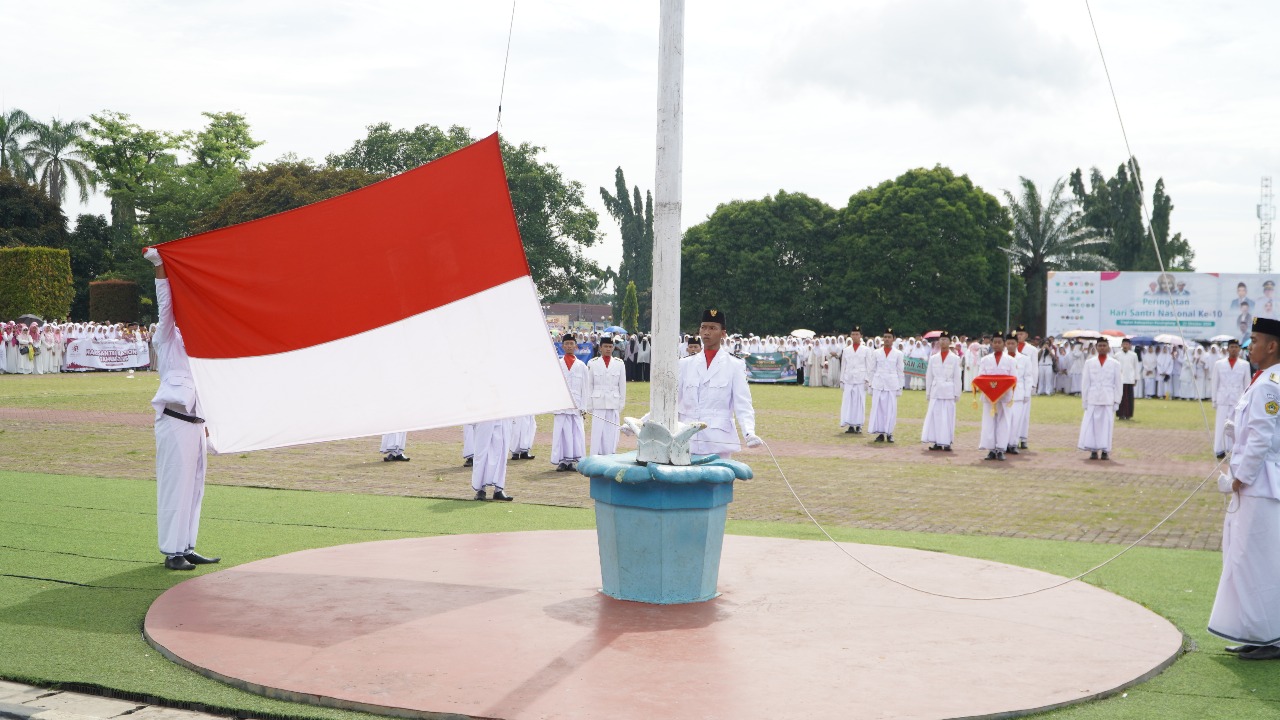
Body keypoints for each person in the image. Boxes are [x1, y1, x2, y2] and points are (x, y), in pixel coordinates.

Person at [1208, 316, 1280, 660]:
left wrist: (1241, 477)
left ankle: (1271, 637)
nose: (1249, 345)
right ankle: (1255, 631)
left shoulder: (1270, 383)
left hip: (1260, 484)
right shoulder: (1263, 379)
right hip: (1255, 481)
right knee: (1243, 557)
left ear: (1272, 345)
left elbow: (1262, 439)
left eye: (1254, 340)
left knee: (1256, 561)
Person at [144, 247, 220, 571]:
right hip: (175, 422)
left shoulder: (199, 344)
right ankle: (172, 551)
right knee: (176, 486)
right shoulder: (168, 338)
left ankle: (187, 546)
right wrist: (161, 266)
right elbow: (166, 308)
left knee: (195, 487)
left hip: (196, 424)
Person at [662, 309, 761, 459]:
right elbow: (671, 401)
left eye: (712, 328)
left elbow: (743, 404)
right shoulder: (685, 364)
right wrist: (642, 423)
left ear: (723, 334)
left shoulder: (734, 365)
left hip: (718, 440)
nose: (706, 332)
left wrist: (749, 433)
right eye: (703, 327)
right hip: (687, 439)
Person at [1078, 337, 1122, 460]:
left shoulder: (1115, 363)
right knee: (1092, 426)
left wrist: (1117, 400)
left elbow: (1118, 384)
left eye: (1104, 345)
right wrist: (1084, 400)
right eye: (1100, 345)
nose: (1102, 348)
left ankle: (1105, 450)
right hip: (1093, 398)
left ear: (1108, 348)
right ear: (1096, 347)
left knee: (1106, 426)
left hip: (1108, 398)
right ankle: (1093, 449)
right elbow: (1085, 383)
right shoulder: (1089, 362)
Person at [977, 332, 1017, 461]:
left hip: (1005, 397)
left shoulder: (1011, 360)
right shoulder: (985, 360)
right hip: (989, 397)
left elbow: (1014, 378)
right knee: (989, 422)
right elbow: (981, 377)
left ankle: (1000, 449)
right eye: (995, 342)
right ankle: (990, 449)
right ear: (991, 343)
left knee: (1003, 422)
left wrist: (1002, 388)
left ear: (1004, 344)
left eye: (1000, 342)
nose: (997, 344)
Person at [552, 333, 588, 472]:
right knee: (561, 433)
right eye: (566, 344)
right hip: (562, 405)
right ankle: (562, 460)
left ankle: (573, 460)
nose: (568, 346)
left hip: (576, 405)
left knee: (575, 433)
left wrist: (584, 407)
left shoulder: (581, 366)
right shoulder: (558, 365)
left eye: (571, 344)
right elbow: (554, 386)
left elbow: (585, 388)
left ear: (576, 346)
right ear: (562, 346)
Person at [586, 335, 627, 456]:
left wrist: (621, 403)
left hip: (613, 401)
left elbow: (622, 385)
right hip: (598, 402)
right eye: (605, 346)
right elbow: (590, 385)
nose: (608, 349)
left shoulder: (619, 364)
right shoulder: (592, 363)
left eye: (610, 346)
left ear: (613, 347)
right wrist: (589, 404)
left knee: (612, 432)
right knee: (598, 431)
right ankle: (596, 454)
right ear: (600, 348)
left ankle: (611, 453)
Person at [921, 331, 962, 451]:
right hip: (936, 390)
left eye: (946, 340)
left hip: (949, 391)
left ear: (950, 342)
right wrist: (928, 392)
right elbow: (929, 376)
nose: (943, 342)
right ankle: (937, 441)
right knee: (936, 417)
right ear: (938, 342)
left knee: (948, 417)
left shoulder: (955, 358)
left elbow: (957, 377)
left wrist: (957, 393)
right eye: (941, 339)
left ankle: (947, 441)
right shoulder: (933, 358)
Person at [1212, 340, 1250, 459]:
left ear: (1239, 349)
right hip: (1223, 398)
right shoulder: (1219, 364)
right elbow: (1214, 382)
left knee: (1235, 425)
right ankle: (1219, 449)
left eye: (1235, 347)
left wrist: (1246, 401)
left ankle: (1232, 449)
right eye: (1231, 347)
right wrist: (1214, 399)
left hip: (1237, 399)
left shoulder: (1245, 364)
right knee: (1220, 424)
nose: (1233, 349)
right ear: (1227, 349)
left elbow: (1247, 384)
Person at [868, 329, 905, 443]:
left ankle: (889, 433)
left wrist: (900, 387)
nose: (887, 339)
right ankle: (880, 433)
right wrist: (870, 384)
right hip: (878, 384)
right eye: (885, 337)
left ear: (893, 339)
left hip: (891, 385)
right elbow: (872, 370)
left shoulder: (898, 353)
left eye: (889, 337)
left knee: (890, 410)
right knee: (878, 409)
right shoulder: (876, 352)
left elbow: (900, 371)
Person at [471, 417, 514, 501]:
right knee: (481, 453)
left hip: (503, 415)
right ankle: (480, 490)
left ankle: (499, 490)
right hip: (485, 415)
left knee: (502, 453)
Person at [839, 326, 872, 434]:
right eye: (853, 334)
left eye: (857, 334)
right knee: (848, 403)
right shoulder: (846, 350)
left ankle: (858, 425)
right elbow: (843, 365)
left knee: (859, 403)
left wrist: (868, 380)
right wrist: (841, 380)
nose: (855, 336)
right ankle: (850, 425)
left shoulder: (866, 350)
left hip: (860, 379)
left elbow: (869, 366)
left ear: (861, 336)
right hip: (849, 379)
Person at [1008, 326, 1036, 453]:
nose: (1019, 336)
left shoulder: (1031, 350)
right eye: (1017, 334)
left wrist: (1032, 386)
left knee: (1023, 415)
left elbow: (1033, 369)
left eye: (1021, 334)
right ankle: (1009, 440)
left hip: (1023, 386)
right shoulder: (1007, 348)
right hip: (1009, 389)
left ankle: (1022, 438)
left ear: (1026, 335)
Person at [1116, 339, 1140, 420]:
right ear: (1121, 345)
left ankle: (1128, 414)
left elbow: (1136, 367)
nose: (1125, 346)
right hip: (1120, 379)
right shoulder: (1117, 355)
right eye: (1124, 344)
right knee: (1120, 398)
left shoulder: (1133, 355)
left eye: (1127, 344)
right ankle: (1120, 414)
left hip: (1130, 379)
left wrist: (1136, 378)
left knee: (1129, 398)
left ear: (1129, 345)